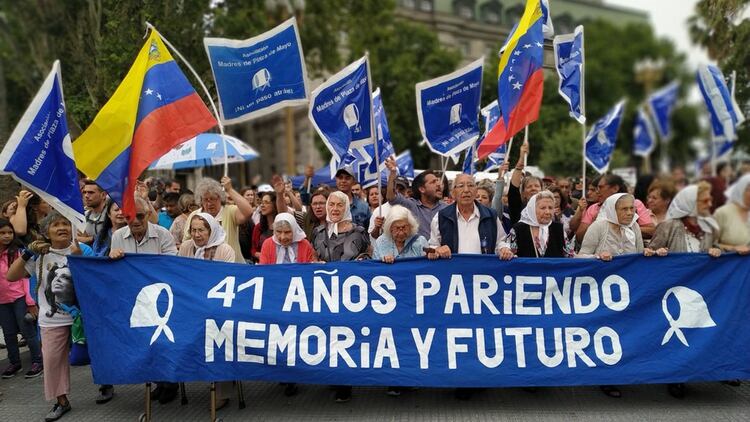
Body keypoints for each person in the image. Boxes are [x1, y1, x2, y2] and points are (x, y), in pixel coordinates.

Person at [6, 212, 95, 421]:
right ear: (46, 231)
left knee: (96, 354)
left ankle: (106, 386)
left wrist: (78, 258)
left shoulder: (83, 250)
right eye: (56, 225)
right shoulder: (39, 254)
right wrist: (27, 253)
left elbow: (95, 280)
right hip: (51, 318)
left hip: (83, 316)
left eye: (65, 223)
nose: (62, 228)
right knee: (53, 361)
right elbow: (12, 276)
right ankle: (61, 401)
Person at [646, 182, 721, 399]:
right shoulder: (669, 226)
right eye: (704, 200)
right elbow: (648, 256)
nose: (709, 203)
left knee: (697, 333)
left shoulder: (710, 228)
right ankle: (675, 377)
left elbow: (715, 251)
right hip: (673, 292)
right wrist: (656, 252)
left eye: (709, 200)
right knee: (677, 336)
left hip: (701, 292)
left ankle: (696, 372)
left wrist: (718, 251)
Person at [109, 198, 179, 405]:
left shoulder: (163, 234)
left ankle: (170, 383)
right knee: (144, 342)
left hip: (160, 297)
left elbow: (171, 265)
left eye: (140, 216)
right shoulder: (118, 236)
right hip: (135, 299)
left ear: (148, 215)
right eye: (130, 216)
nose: (136, 220)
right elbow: (116, 272)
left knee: (163, 342)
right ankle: (158, 381)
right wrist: (112, 257)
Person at [577, 193, 645, 399]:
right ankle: (606, 378)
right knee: (606, 334)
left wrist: (651, 254)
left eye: (632, 209)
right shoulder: (599, 227)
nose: (629, 213)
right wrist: (597, 257)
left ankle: (623, 373)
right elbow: (580, 256)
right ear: (612, 210)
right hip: (601, 293)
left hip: (628, 291)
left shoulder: (634, 228)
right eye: (623, 209)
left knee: (625, 333)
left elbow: (640, 256)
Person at [311, 191, 370, 403]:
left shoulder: (360, 231)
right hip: (326, 293)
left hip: (351, 294)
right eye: (331, 204)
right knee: (329, 336)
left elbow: (368, 256)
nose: (334, 209)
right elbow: (314, 256)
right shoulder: (318, 232)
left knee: (348, 336)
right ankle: (334, 377)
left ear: (346, 207)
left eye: (339, 205)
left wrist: (364, 260)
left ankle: (346, 382)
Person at [178, 212, 235, 409]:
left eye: (201, 230)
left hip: (217, 308)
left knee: (220, 338)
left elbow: (227, 281)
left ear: (210, 231)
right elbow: (179, 275)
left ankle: (222, 391)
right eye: (193, 230)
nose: (196, 234)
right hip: (190, 307)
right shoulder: (186, 248)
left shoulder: (224, 250)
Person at [0, 219, 43, 380]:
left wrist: (30, 301)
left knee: (27, 330)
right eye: (2, 233)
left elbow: (25, 278)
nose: (7, 236)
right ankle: (14, 362)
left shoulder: (17, 253)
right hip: (2, 301)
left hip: (19, 298)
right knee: (9, 333)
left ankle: (37, 361)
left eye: (9, 233)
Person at [427, 174, 506, 261]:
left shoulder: (491, 215)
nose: (466, 190)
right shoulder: (441, 217)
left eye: (470, 185)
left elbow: (500, 242)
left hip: (483, 272)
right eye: (461, 186)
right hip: (453, 272)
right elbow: (432, 246)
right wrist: (437, 250)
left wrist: (504, 249)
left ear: (476, 191)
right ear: (453, 193)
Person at [183, 177, 253, 263]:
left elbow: (249, 212)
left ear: (220, 198)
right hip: (203, 267)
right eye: (205, 199)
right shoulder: (194, 215)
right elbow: (187, 240)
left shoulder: (229, 211)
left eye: (213, 199)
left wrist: (230, 190)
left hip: (232, 265)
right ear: (200, 200)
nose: (209, 203)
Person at [575, 174, 654, 243]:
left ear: (615, 188)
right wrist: (594, 224)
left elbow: (651, 231)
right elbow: (579, 238)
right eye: (624, 209)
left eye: (600, 187)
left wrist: (623, 228)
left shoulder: (635, 204)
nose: (597, 191)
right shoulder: (593, 208)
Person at [498, 191, 574, 259]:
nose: (547, 212)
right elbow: (506, 247)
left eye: (550, 208)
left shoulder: (559, 229)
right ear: (532, 209)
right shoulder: (519, 229)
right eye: (543, 208)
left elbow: (570, 255)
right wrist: (504, 249)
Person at [385, 156, 447, 239]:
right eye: (433, 182)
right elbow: (391, 197)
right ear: (422, 189)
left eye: (438, 181)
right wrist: (393, 173)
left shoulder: (447, 208)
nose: (439, 184)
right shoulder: (411, 206)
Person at [714, 174, 750, 255]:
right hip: (730, 265)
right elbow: (710, 245)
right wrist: (733, 248)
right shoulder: (723, 213)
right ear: (741, 190)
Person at [335, 166, 371, 231]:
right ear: (336, 180)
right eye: (340, 178)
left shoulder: (363, 206)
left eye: (347, 178)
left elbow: (369, 231)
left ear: (353, 181)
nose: (343, 181)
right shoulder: (328, 204)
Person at [250, 192, 278, 263]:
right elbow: (253, 249)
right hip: (263, 265)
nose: (262, 205)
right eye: (261, 203)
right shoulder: (258, 227)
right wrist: (259, 254)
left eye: (266, 202)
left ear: (275, 204)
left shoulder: (282, 227)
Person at [77, 180, 108, 244]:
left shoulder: (111, 214)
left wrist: (90, 239)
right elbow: (77, 238)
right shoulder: (83, 216)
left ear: (103, 195)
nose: (86, 196)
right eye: (84, 192)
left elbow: (111, 237)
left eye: (91, 192)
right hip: (88, 253)